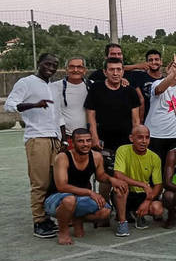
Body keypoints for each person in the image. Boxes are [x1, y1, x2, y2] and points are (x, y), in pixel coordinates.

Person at [5, 53, 63, 238]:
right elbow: (10, 105)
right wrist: (34, 105)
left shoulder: (52, 86)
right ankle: (39, 221)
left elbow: (58, 114)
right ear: (39, 63)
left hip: (55, 139)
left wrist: (63, 138)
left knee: (55, 181)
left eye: (54, 65)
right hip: (37, 138)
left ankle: (48, 217)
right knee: (40, 183)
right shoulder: (26, 82)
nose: (51, 68)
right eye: (48, 64)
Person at [84, 56, 141, 225]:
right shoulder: (96, 89)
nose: (115, 73)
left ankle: (124, 210)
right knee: (105, 178)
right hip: (103, 142)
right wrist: (94, 136)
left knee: (124, 177)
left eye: (118, 70)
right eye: (112, 70)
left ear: (123, 71)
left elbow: (136, 119)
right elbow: (91, 115)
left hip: (125, 142)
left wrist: (135, 139)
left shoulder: (129, 91)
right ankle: (103, 209)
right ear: (105, 72)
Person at [45, 128, 123, 244]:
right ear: (73, 142)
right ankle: (63, 231)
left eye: (88, 140)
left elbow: (100, 176)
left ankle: (77, 218)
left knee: (105, 211)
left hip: (80, 198)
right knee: (69, 200)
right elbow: (62, 186)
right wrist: (90, 193)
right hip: (57, 198)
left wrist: (112, 180)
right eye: (80, 141)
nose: (85, 144)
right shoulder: (63, 157)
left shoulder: (96, 156)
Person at [111, 125, 164, 231]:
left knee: (157, 209)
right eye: (140, 137)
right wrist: (143, 184)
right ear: (131, 138)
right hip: (126, 192)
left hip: (142, 195)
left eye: (147, 137)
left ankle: (139, 215)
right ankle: (122, 222)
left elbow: (158, 185)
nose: (144, 141)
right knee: (120, 187)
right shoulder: (122, 150)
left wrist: (148, 200)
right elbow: (118, 174)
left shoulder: (155, 157)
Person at [146, 55, 176, 171]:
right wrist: (172, 74)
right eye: (174, 67)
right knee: (154, 169)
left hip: (174, 136)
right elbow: (159, 90)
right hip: (154, 134)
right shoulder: (157, 83)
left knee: (171, 169)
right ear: (168, 69)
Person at [51, 56, 89, 146]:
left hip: (87, 138)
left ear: (84, 70)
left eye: (79, 67)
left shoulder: (92, 86)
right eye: (71, 67)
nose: (75, 70)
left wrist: (122, 80)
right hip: (66, 138)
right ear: (66, 70)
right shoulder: (54, 87)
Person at [127, 49, 163, 121]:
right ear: (146, 62)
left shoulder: (165, 81)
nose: (154, 62)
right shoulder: (138, 75)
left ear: (161, 62)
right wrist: (137, 66)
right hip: (141, 119)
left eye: (156, 59)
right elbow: (120, 68)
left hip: (159, 120)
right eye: (150, 60)